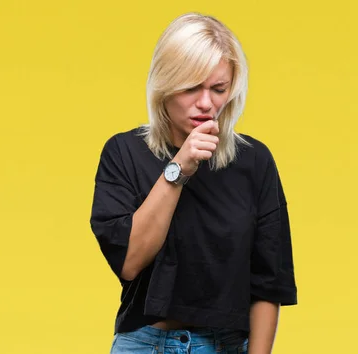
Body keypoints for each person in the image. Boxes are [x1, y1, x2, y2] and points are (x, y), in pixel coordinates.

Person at [89, 13, 297, 354]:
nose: (206, 103)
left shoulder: (255, 161)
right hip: (145, 343)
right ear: (164, 84)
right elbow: (129, 262)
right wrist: (180, 168)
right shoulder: (124, 152)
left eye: (219, 89)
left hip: (226, 344)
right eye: (190, 87)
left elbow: (268, 285)